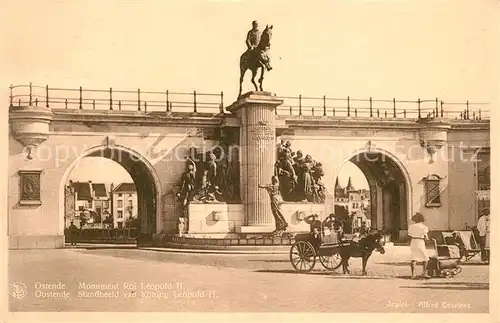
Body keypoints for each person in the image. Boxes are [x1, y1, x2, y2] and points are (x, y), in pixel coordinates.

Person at [408, 212, 431, 279]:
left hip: (413, 241)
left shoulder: (411, 226)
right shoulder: (424, 227)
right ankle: (424, 273)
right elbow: (426, 238)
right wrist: (429, 240)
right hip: (420, 241)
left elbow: (409, 236)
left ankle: (413, 274)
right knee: (425, 258)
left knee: (414, 257)